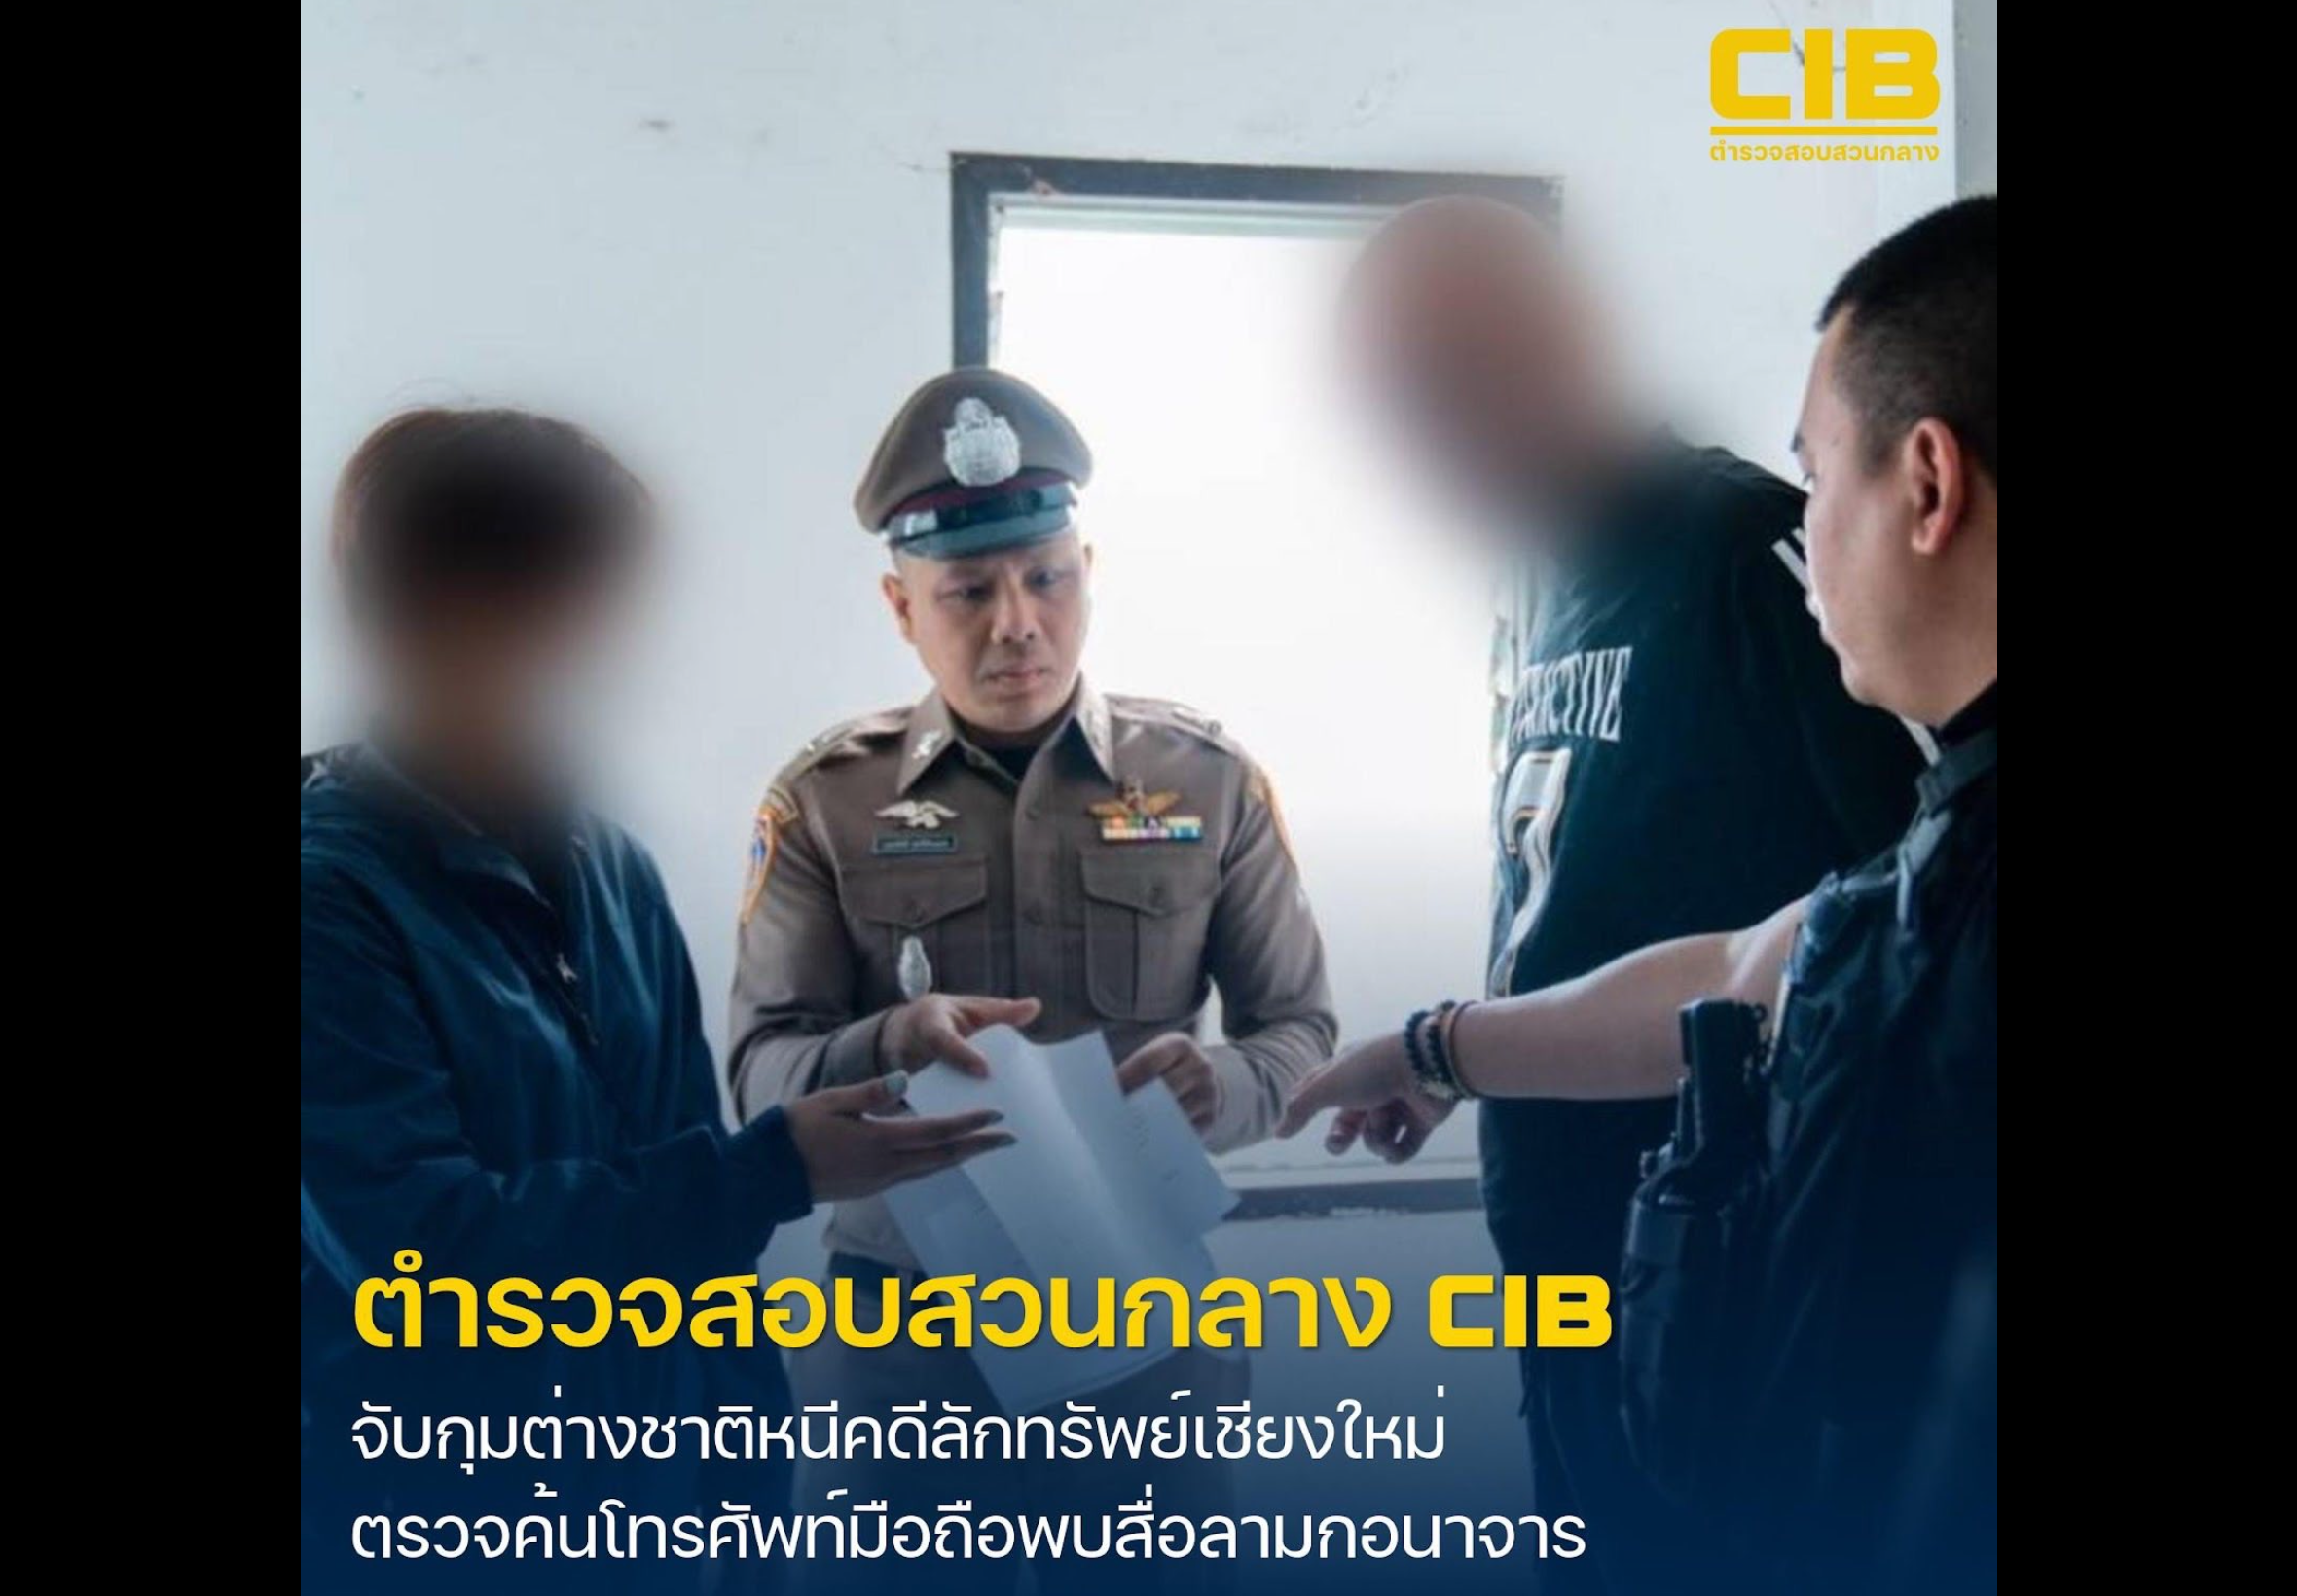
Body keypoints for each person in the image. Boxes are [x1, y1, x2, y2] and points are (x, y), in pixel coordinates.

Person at [1284, 195, 1998, 1593]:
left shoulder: (1743, 559)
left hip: (1770, 1325)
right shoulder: (1539, 593)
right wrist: (1441, 1050)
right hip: (1599, 1293)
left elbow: (1849, 952)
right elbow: (1753, 960)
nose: (1415, 452)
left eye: (1441, 388)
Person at [301, 408, 1012, 1592]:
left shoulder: (608, 867)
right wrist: (767, 1169)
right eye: (589, 613)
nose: (619, 657)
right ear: (457, 617)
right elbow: (420, 1261)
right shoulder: (330, 900)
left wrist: (748, 1532)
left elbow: (705, 1276)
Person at [728, 367, 1336, 1589]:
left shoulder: (1204, 778)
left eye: (1046, 578)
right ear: (901, 606)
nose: (1016, 622)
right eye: (968, 590)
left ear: (1086, 572)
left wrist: (1223, 1084)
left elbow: (1299, 1026)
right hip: (902, 1334)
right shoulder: (825, 799)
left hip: (1140, 1321)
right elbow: (759, 1072)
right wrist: (889, 1040)